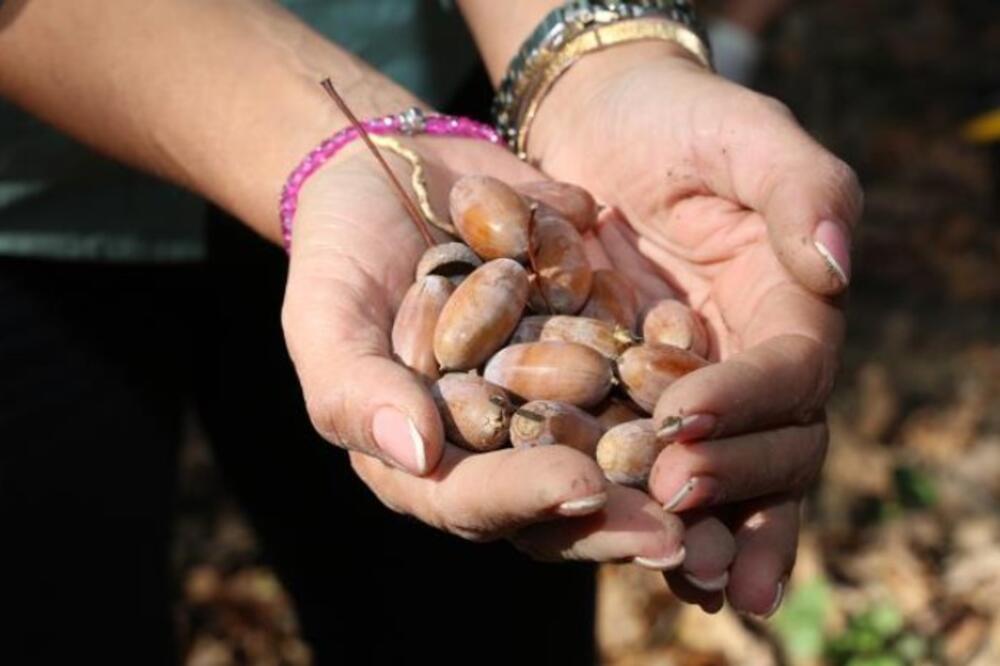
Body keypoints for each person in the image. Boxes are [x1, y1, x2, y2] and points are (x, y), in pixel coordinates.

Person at [0, 1, 861, 663]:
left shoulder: (528, 279)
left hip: (446, 129)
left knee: (465, 631)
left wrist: (596, 57)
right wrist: (333, 144)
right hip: (32, 229)